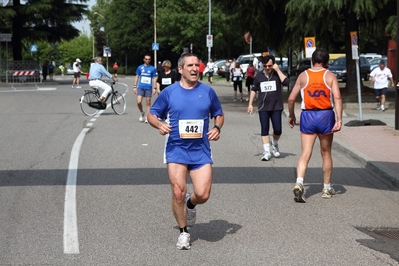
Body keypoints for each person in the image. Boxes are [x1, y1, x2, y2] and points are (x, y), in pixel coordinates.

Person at [147, 53, 224, 250]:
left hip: (200, 150)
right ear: (180, 69)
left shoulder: (207, 92)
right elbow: (152, 114)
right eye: (190, 65)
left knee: (203, 194)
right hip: (176, 149)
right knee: (178, 191)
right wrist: (159, 124)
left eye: (197, 65)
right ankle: (183, 232)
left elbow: (219, 114)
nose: (194, 69)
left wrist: (217, 128)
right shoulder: (169, 92)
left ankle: (191, 204)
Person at [287, 49, 342, 203]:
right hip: (325, 115)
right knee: (326, 153)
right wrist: (339, 119)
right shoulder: (330, 76)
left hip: (308, 116)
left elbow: (291, 99)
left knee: (305, 153)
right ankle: (326, 188)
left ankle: (299, 182)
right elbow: (337, 97)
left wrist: (292, 115)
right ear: (327, 63)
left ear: (312, 61)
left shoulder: (303, 76)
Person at [247, 55, 289, 161]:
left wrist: (278, 70)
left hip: (276, 106)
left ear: (273, 65)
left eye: (269, 65)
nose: (267, 68)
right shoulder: (259, 76)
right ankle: (267, 152)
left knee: (278, 130)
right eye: (265, 66)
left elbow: (286, 82)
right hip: (263, 107)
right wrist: (250, 104)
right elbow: (253, 90)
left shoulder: (277, 74)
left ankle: (274, 143)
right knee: (264, 129)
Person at [133, 54, 158, 123]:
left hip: (148, 87)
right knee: (138, 101)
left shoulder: (152, 68)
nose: (147, 60)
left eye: (149, 59)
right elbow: (137, 76)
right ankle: (141, 112)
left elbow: (154, 78)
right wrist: (135, 86)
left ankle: (147, 117)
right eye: (146, 59)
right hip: (141, 87)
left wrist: (154, 88)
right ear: (144, 59)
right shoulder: (140, 67)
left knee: (148, 102)